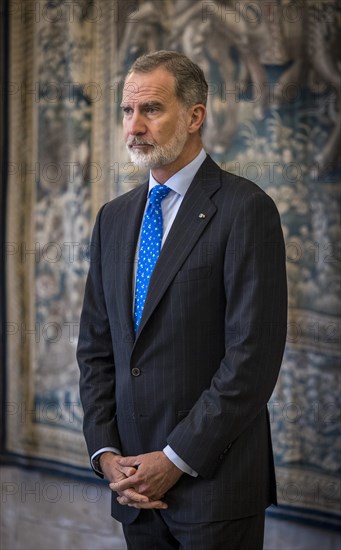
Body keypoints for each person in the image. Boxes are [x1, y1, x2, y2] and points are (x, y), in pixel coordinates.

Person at [77, 50, 287, 550]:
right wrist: (107, 454)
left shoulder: (246, 210)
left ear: (195, 116)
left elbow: (251, 361)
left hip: (214, 493)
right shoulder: (113, 218)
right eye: (127, 111)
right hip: (133, 492)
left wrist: (172, 460)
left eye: (151, 109)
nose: (134, 126)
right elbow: (95, 348)